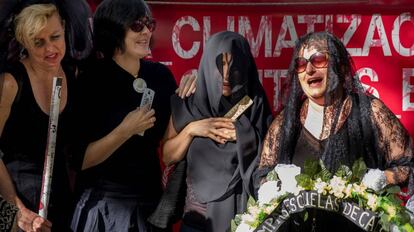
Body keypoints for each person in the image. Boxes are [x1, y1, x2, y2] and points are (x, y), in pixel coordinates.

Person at [256, 31, 414, 231]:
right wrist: (271, 186)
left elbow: (408, 165)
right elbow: (263, 173)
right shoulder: (285, 122)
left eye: (319, 60)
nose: (310, 70)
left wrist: (384, 178)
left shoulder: (371, 111)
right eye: (302, 64)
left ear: (339, 66)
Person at [69, 0, 179, 231]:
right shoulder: (91, 81)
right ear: (114, 29)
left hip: (149, 201)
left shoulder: (161, 76)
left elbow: (170, 144)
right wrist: (124, 131)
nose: (147, 31)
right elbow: (79, 160)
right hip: (103, 205)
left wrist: (191, 95)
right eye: (137, 25)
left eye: (150, 24)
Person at [158, 31, 272, 232]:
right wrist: (192, 129)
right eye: (220, 63)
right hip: (197, 222)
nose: (226, 74)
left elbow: (271, 162)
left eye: (233, 65)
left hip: (246, 221)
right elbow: (167, 156)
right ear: (209, 64)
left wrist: (246, 137)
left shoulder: (256, 105)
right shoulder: (189, 103)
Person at [0, 1, 92, 231]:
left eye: (56, 37)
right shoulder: (11, 83)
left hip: (62, 206)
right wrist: (18, 211)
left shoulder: (73, 74)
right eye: (38, 42)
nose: (50, 49)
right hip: (19, 211)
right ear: (24, 41)